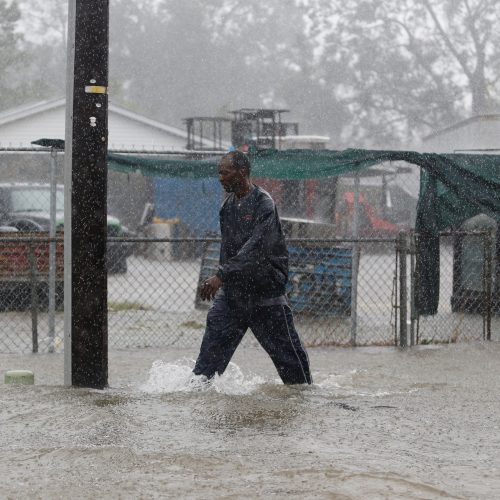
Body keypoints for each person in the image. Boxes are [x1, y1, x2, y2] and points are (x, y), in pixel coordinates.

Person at [193, 151, 312, 385]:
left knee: (293, 371)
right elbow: (228, 250)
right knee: (205, 370)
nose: (220, 178)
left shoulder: (263, 203)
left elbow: (256, 247)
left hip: (265, 296)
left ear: (242, 172)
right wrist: (223, 279)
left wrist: (221, 275)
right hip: (234, 296)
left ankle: (307, 402)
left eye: (224, 173)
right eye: (219, 172)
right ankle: (198, 404)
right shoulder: (227, 207)